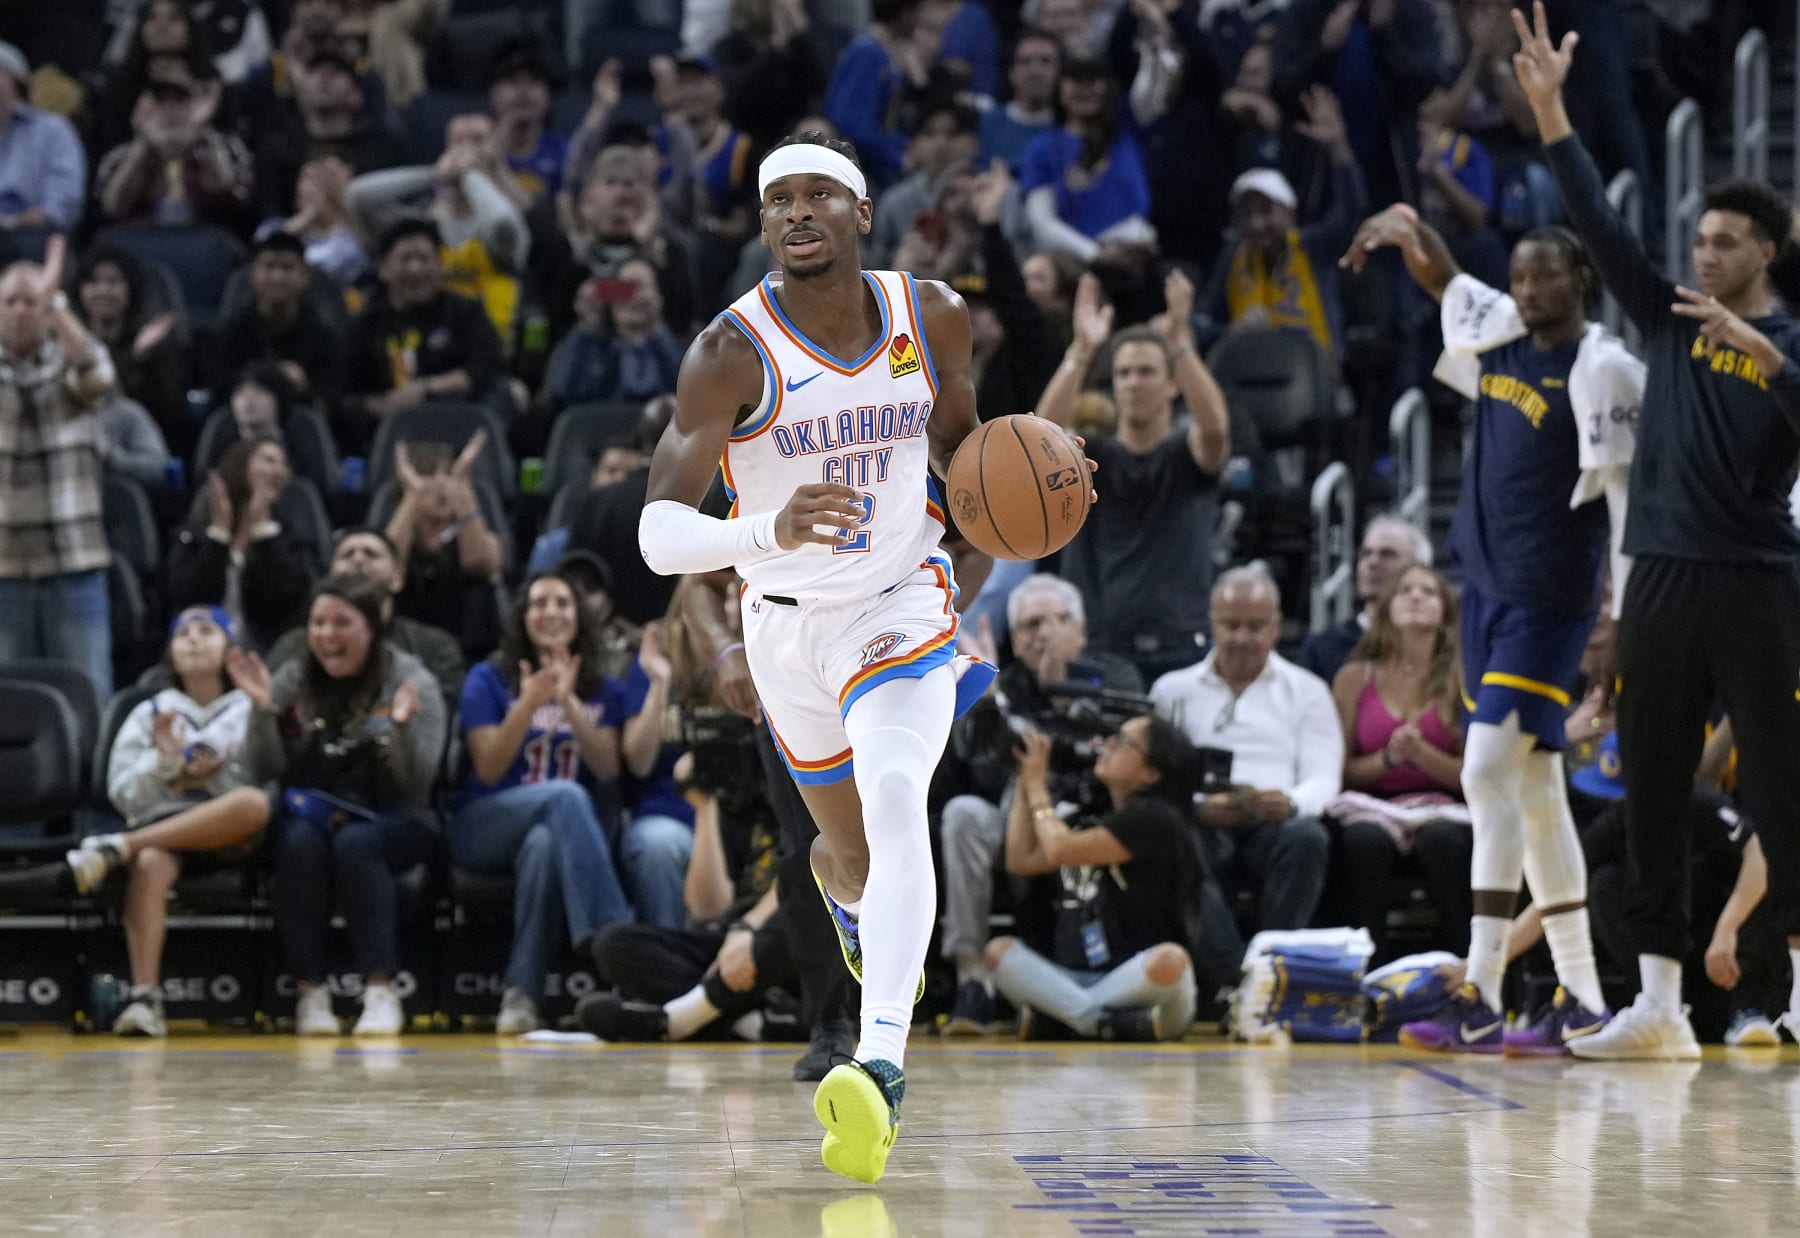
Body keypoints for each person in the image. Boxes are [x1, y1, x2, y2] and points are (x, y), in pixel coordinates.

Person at [637, 131, 1005, 1183]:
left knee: (899, 801)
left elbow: (965, 453)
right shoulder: (730, 351)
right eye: (778, 201)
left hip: (898, 602)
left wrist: (1032, 498)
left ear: (861, 213)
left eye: (817, 197)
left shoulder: (930, 315)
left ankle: (877, 1063)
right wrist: (767, 532)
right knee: (850, 852)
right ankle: (850, 900)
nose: (796, 214)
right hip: (786, 624)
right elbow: (659, 533)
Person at [1509, 3, 1800, 1059]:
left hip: (1760, 577)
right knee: (1653, 794)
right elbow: (1598, 223)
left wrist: (1765, 355)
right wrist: (1549, 111)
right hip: (1663, 579)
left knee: (1778, 785)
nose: (1705, 254)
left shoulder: (1788, 340)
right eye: (1701, 241)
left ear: (1769, 249)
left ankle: (1797, 983)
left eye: (1727, 242)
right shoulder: (1670, 318)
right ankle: (1661, 1004)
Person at [1343, 194, 1642, 1053]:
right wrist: (1405, 228)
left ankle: (1479, 986)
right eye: (1521, 276)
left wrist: (1617, 616)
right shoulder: (1501, 332)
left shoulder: (1604, 367)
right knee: (1535, 795)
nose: (1532, 288)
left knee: (1482, 772)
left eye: (1548, 274)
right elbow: (1447, 281)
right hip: (1485, 593)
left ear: (1582, 280)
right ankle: (1580, 999)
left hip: (1551, 601)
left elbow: (1624, 505)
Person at [234, 573, 446, 1036]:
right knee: (296, 842)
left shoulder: (411, 681)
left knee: (356, 844)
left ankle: (380, 990)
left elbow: (418, 783)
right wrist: (262, 713)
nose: (326, 635)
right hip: (313, 814)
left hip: (396, 816)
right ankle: (311, 993)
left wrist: (399, 731)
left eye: (341, 623)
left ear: (371, 629)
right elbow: (263, 771)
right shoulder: (293, 676)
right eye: (318, 623)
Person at [939, 573, 1142, 1033]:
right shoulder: (998, 683)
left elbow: (1110, 763)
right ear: (1015, 638)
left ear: (1082, 630)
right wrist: (987, 705)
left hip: (1089, 817)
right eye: (1031, 624)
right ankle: (972, 974)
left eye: (1058, 620)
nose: (1044, 633)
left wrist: (1063, 705)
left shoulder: (1114, 676)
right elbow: (983, 772)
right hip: (1016, 820)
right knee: (963, 815)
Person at [66, 607, 271, 1036]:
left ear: (232, 648)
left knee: (252, 802)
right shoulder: (150, 711)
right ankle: (144, 999)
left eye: (207, 631)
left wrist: (229, 762)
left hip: (234, 834)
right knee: (150, 863)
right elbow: (121, 793)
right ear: (171, 654)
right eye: (184, 634)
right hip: (165, 828)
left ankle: (118, 847)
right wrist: (164, 763)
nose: (194, 640)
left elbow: (274, 777)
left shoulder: (251, 704)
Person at [449, 572, 636, 1034]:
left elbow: (610, 769)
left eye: (562, 602)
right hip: (482, 824)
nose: (550, 611)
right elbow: (488, 767)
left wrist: (569, 701)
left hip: (560, 836)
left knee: (542, 847)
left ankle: (521, 995)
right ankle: (618, 943)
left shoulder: (603, 689)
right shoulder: (488, 678)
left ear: (579, 616)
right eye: (538, 603)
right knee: (564, 796)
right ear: (523, 617)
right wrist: (529, 703)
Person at [1034, 271, 1230, 683]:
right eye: (1123, 373)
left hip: (1181, 644)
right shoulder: (1092, 455)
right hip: (1100, 642)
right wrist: (1082, 351)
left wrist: (1180, 345)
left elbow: (1215, 432)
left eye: (1146, 372)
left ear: (1172, 384)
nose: (1133, 382)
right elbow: (1039, 441)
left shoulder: (1185, 454)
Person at [986, 714, 1200, 1041]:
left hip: (1138, 983)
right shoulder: (1093, 811)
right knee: (997, 953)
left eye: (1123, 742)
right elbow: (1021, 860)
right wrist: (1023, 780)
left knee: (1170, 960)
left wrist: (1036, 785)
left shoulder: (1156, 821)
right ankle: (1101, 1023)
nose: (1108, 744)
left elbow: (1059, 850)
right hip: (1071, 978)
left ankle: (1065, 1019)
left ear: (1150, 773)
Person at [1151, 565, 1338, 933]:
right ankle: (1224, 967)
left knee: (1308, 837)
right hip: (1200, 821)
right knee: (1176, 836)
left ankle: (1271, 958)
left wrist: (1291, 803)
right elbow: (1154, 774)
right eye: (1231, 626)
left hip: (1275, 822)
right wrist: (1196, 807)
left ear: (1276, 626)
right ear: (1212, 624)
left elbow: (1324, 776)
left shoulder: (1308, 690)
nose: (1241, 638)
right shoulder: (1171, 691)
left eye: (1255, 626)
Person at [579, 747, 796, 1043]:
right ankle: (748, 1019)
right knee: (612, 944)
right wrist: (705, 806)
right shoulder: (735, 806)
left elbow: (806, 877)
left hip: (789, 943)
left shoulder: (803, 800)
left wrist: (751, 928)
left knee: (801, 916)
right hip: (734, 947)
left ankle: (682, 1018)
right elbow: (708, 908)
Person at [1326, 565, 1471, 963]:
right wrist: (1389, 759)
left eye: (1428, 591)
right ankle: (1364, 972)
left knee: (1445, 843)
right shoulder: (1354, 678)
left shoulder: (1466, 679)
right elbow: (1342, 771)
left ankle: (1463, 970)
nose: (1416, 597)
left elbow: (1472, 775)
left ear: (1445, 611)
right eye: (1405, 589)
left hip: (1446, 806)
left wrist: (1422, 755)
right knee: (1362, 844)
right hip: (1370, 804)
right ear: (1387, 607)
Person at [0, 239, 117, 698]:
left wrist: (58, 307)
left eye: (33, 302)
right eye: (10, 301)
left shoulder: (71, 370)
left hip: (74, 564)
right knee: (8, 707)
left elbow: (100, 377)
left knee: (88, 696)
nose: (21, 311)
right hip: (4, 571)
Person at [1194, 87, 1365, 360]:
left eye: (1266, 211)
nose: (1257, 223)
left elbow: (1350, 212)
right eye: (1247, 215)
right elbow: (1202, 323)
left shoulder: (1314, 247)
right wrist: (1230, 332)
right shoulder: (1233, 256)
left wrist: (1337, 147)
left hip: (1314, 375)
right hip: (1249, 378)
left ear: (1289, 212)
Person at [347, 112, 532, 341]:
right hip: (424, 346)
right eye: (458, 142)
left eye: (477, 141)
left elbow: (501, 223)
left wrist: (471, 174)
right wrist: (433, 174)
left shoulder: (511, 215)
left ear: (495, 152)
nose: (465, 151)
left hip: (489, 351)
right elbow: (357, 196)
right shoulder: (421, 223)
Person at [342, 219, 505, 449]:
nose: (415, 269)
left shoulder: (466, 311)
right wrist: (383, 407)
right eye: (406, 259)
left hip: (460, 429)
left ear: (440, 265)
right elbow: (347, 391)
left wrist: (425, 390)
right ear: (384, 268)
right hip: (390, 436)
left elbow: (485, 369)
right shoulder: (365, 323)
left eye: (423, 258)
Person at [269, 528, 464, 705]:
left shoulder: (435, 646)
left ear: (398, 578)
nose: (358, 560)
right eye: (347, 554)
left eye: (371, 554)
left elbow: (440, 718)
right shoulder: (294, 644)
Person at [168, 436, 322, 652]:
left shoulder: (288, 536)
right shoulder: (194, 535)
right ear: (239, 465)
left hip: (268, 657)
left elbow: (285, 604)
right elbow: (191, 598)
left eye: (284, 465)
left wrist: (265, 534)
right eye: (269, 460)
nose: (280, 471)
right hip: (201, 654)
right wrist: (219, 539)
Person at [385, 435, 504, 660]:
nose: (441, 485)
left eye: (448, 474)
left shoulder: (479, 536)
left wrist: (464, 491)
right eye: (429, 475)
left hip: (470, 651)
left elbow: (479, 564)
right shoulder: (397, 535)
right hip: (402, 651)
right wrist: (412, 495)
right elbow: (386, 566)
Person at [208, 231, 348, 420]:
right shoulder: (229, 334)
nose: (278, 276)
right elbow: (217, 394)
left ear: (306, 275)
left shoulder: (324, 337)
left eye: (288, 267)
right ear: (251, 274)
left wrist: (306, 387)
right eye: (269, 266)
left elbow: (336, 402)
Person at [93, 70, 254, 230]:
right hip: (138, 243)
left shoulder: (226, 147)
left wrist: (203, 139)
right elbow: (112, 208)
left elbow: (235, 200)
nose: (169, 109)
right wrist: (143, 147)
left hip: (207, 242)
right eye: (160, 100)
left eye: (179, 99)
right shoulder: (120, 155)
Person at [1295, 514, 1432, 685]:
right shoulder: (1321, 650)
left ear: (1419, 568)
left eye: (1388, 554)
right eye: (1366, 553)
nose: (1372, 562)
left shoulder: (1438, 648)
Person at [0, 41, 87, 236]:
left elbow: (61, 208)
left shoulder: (52, 129)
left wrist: (10, 222)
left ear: (15, 77)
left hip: (32, 237)